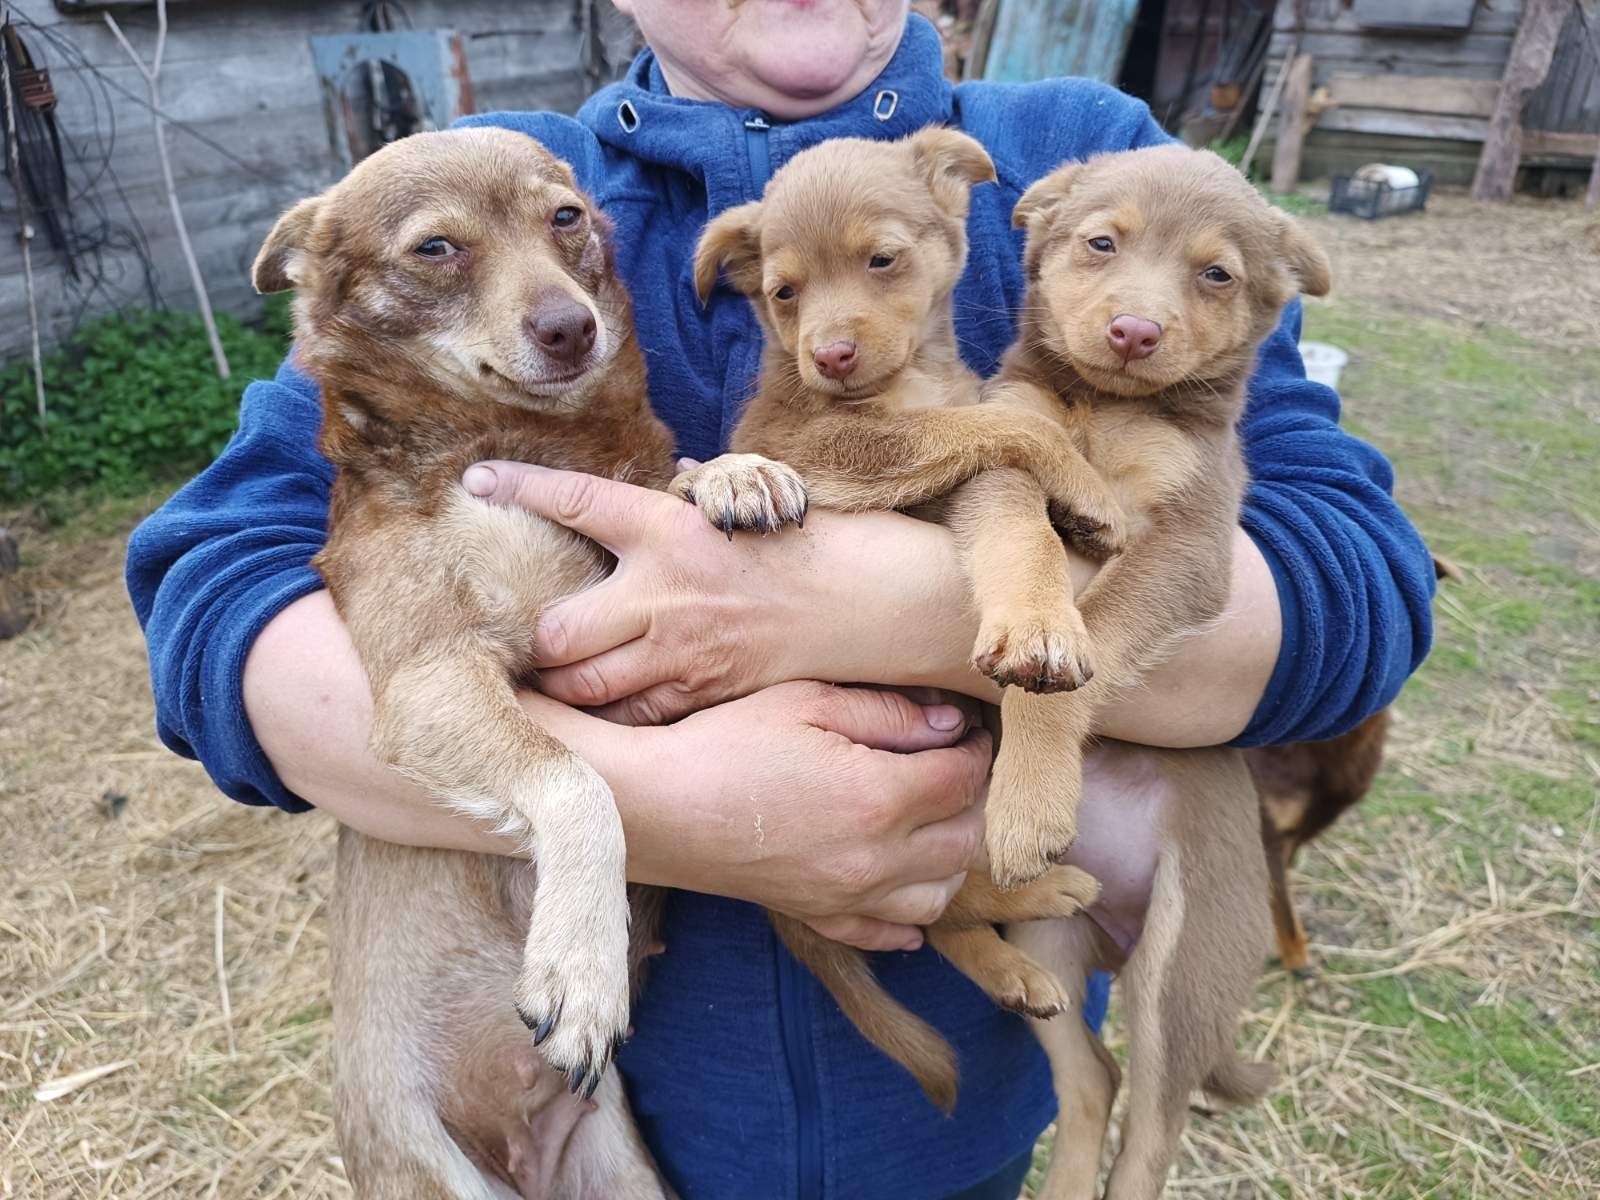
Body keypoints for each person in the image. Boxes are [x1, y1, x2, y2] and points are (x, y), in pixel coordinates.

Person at [126, 3, 1436, 1197]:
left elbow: (1355, 586)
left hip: (957, 1138)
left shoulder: (1081, 163)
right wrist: (673, 815)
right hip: (631, 1125)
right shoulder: (506, 172)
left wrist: (867, 611)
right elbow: (215, 601)